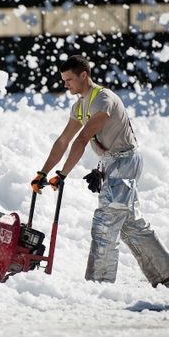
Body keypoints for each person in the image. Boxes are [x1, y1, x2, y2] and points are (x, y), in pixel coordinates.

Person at [31, 54, 169, 287]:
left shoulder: (103, 99)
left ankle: (97, 284)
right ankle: (165, 273)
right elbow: (64, 140)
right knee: (130, 225)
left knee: (106, 222)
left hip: (124, 161)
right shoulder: (79, 106)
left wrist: (63, 174)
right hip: (110, 163)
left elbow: (83, 138)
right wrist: (43, 173)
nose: (66, 85)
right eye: (64, 80)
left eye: (69, 80)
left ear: (83, 75)